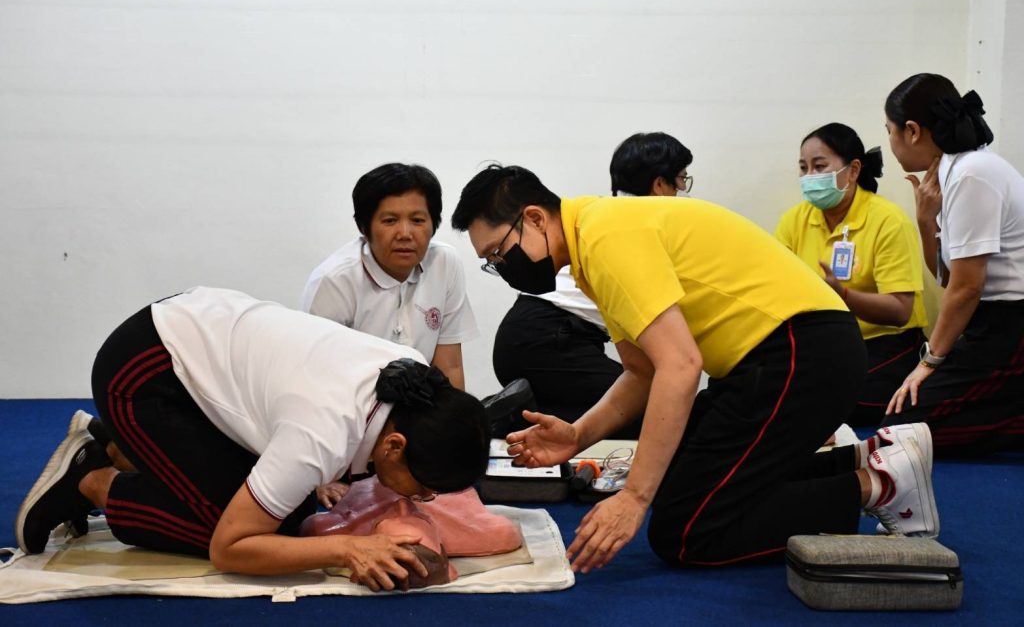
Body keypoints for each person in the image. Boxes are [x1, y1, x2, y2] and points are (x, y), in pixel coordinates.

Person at [450, 164, 939, 573]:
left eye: (499, 252)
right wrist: (578, 436)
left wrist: (633, 499)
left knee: (687, 533)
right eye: (491, 262)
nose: (502, 267)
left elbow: (681, 367)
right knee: (680, 480)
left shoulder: (604, 236)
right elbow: (641, 373)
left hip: (801, 353)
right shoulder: (593, 242)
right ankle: (866, 461)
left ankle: (877, 487)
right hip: (786, 354)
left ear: (535, 218)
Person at [15, 287, 490, 591]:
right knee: (265, 535)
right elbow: (230, 549)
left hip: (191, 335)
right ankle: (94, 480)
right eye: (422, 489)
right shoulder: (321, 434)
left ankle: (125, 448)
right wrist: (348, 549)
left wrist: (317, 477)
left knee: (291, 511)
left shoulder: (414, 380)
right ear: (394, 446)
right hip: (141, 373)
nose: (420, 500)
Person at [491, 133, 692, 437]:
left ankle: (510, 420)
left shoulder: (605, 215)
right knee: (656, 411)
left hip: (532, 333)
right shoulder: (635, 225)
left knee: (579, 423)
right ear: (659, 184)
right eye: (681, 180)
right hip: (549, 336)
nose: (683, 191)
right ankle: (496, 423)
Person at [884, 73, 1024, 454]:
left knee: (902, 431)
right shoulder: (952, 172)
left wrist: (928, 363)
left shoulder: (971, 172)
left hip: (1010, 324)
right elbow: (948, 278)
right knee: (901, 422)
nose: (891, 142)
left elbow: (967, 287)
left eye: (890, 131)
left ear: (912, 131)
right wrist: (926, 221)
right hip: (988, 321)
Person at [775, 123, 928, 426]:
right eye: (804, 168)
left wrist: (842, 295)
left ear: (854, 169)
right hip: (822, 342)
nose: (810, 176)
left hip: (884, 343)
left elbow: (900, 311)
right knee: (764, 383)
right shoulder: (795, 220)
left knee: (835, 399)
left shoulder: (888, 221)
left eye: (819, 166)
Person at [301, 163, 477, 391]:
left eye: (417, 220)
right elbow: (321, 378)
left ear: (433, 224)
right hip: (349, 402)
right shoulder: (334, 281)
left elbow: (449, 367)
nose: (405, 234)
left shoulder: (444, 263)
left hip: (421, 403)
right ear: (364, 228)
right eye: (390, 221)